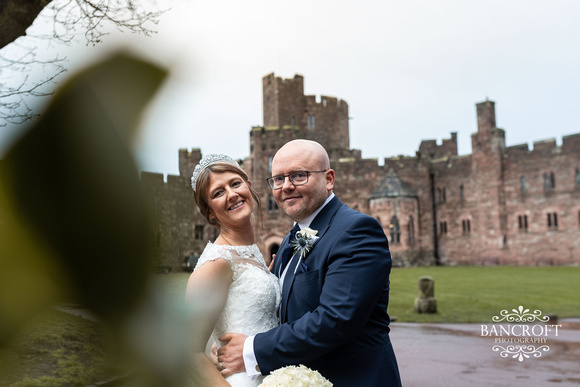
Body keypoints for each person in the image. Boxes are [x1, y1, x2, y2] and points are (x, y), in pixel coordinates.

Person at [216, 140, 402, 386]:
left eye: (299, 176)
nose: (286, 186)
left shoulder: (357, 231)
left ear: (329, 179)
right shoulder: (289, 241)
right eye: (278, 179)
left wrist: (251, 349)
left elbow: (335, 320)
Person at [185, 154, 281, 387]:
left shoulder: (250, 251)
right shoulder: (216, 262)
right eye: (218, 193)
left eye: (235, 183)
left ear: (248, 185)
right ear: (209, 212)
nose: (232, 194)